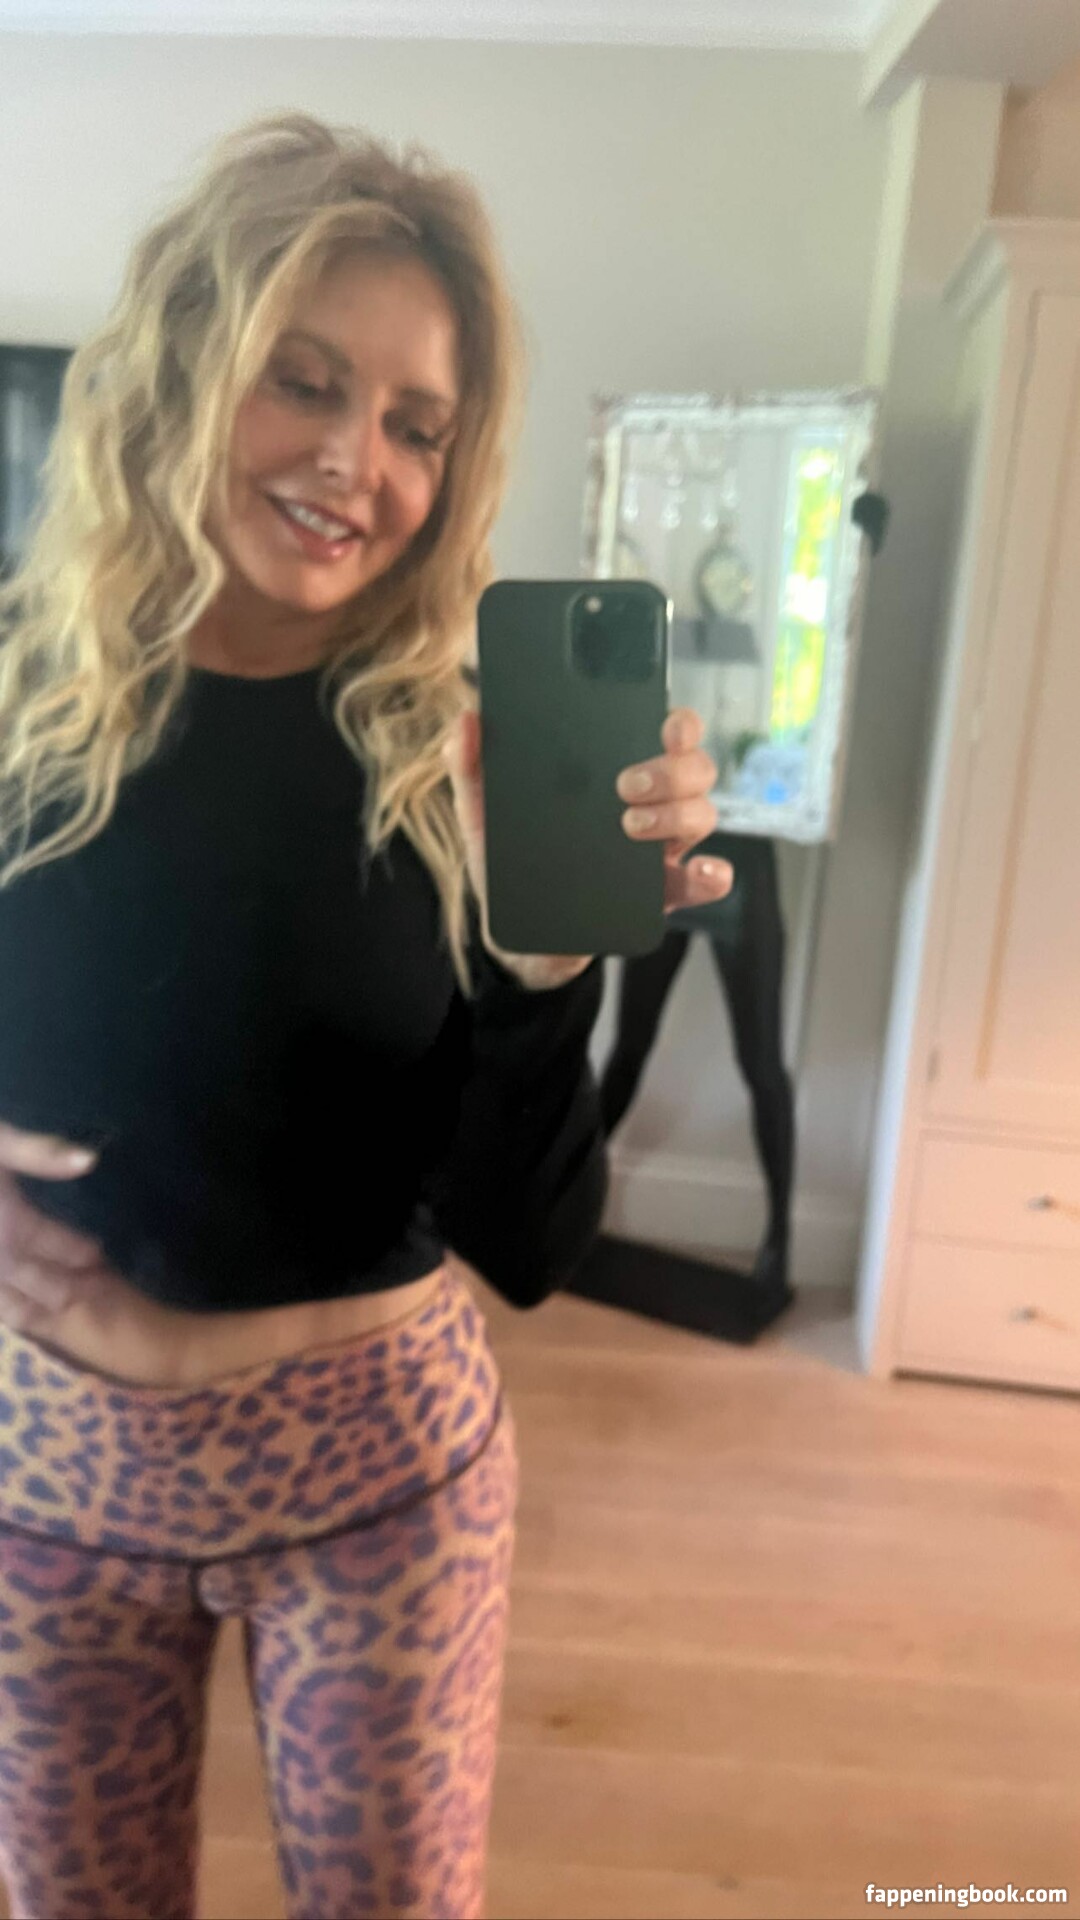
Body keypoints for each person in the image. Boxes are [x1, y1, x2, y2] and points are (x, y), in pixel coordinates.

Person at [0, 113, 732, 1920]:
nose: (357, 464)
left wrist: (544, 975)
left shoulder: (464, 758)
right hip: (41, 1478)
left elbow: (531, 1246)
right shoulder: (20, 699)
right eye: (305, 382)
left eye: (418, 424)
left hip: (379, 1479)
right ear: (188, 366)